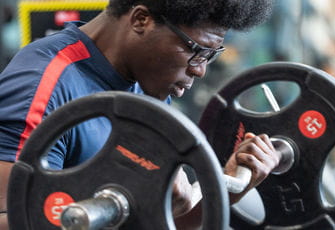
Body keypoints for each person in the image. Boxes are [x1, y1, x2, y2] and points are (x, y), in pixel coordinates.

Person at [0, 0, 279, 229]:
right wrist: (128, 206)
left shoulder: (147, 82)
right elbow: (12, 218)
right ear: (141, 20)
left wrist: (230, 186)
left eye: (210, 55)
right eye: (196, 50)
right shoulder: (41, 88)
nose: (200, 70)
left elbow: (168, 220)